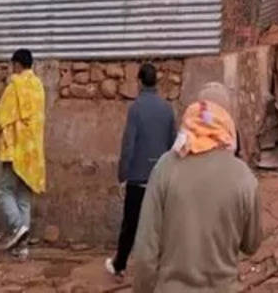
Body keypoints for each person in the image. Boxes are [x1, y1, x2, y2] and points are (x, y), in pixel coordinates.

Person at [131, 82, 262, 293]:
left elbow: (146, 251)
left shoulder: (166, 167)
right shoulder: (245, 178)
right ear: (228, 122)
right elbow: (251, 244)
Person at [106, 63, 178, 279]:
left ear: (138, 82)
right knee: (160, 226)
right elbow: (173, 143)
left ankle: (119, 265)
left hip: (138, 179)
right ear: (156, 81)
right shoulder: (167, 109)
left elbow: (129, 144)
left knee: (130, 224)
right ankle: (162, 267)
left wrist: (123, 174)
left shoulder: (136, 108)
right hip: (160, 178)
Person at [0, 48, 46, 258]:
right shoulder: (39, 87)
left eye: (13, 64)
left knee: (5, 191)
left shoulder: (15, 86)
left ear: (18, 64)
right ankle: (22, 249)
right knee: (24, 198)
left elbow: (2, 117)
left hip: (16, 149)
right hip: (33, 153)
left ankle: (17, 228)